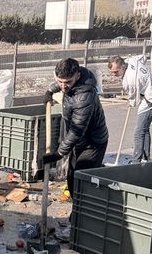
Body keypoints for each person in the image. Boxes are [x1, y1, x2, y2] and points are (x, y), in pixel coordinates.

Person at [42, 58, 109, 198]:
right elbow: (62, 83)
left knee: (81, 182)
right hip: (79, 142)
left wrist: (58, 154)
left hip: (93, 143)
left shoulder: (84, 97)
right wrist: (50, 91)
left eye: (67, 82)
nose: (63, 86)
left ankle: (84, 209)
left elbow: (76, 131)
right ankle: (78, 205)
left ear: (77, 76)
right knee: (72, 179)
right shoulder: (76, 78)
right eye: (59, 81)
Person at [108, 55, 152, 163]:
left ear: (123, 66)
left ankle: (136, 161)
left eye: (116, 72)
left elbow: (134, 101)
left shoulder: (131, 80)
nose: (114, 75)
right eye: (112, 72)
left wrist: (130, 102)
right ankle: (145, 158)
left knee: (139, 131)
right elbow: (143, 58)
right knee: (144, 128)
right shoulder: (131, 60)